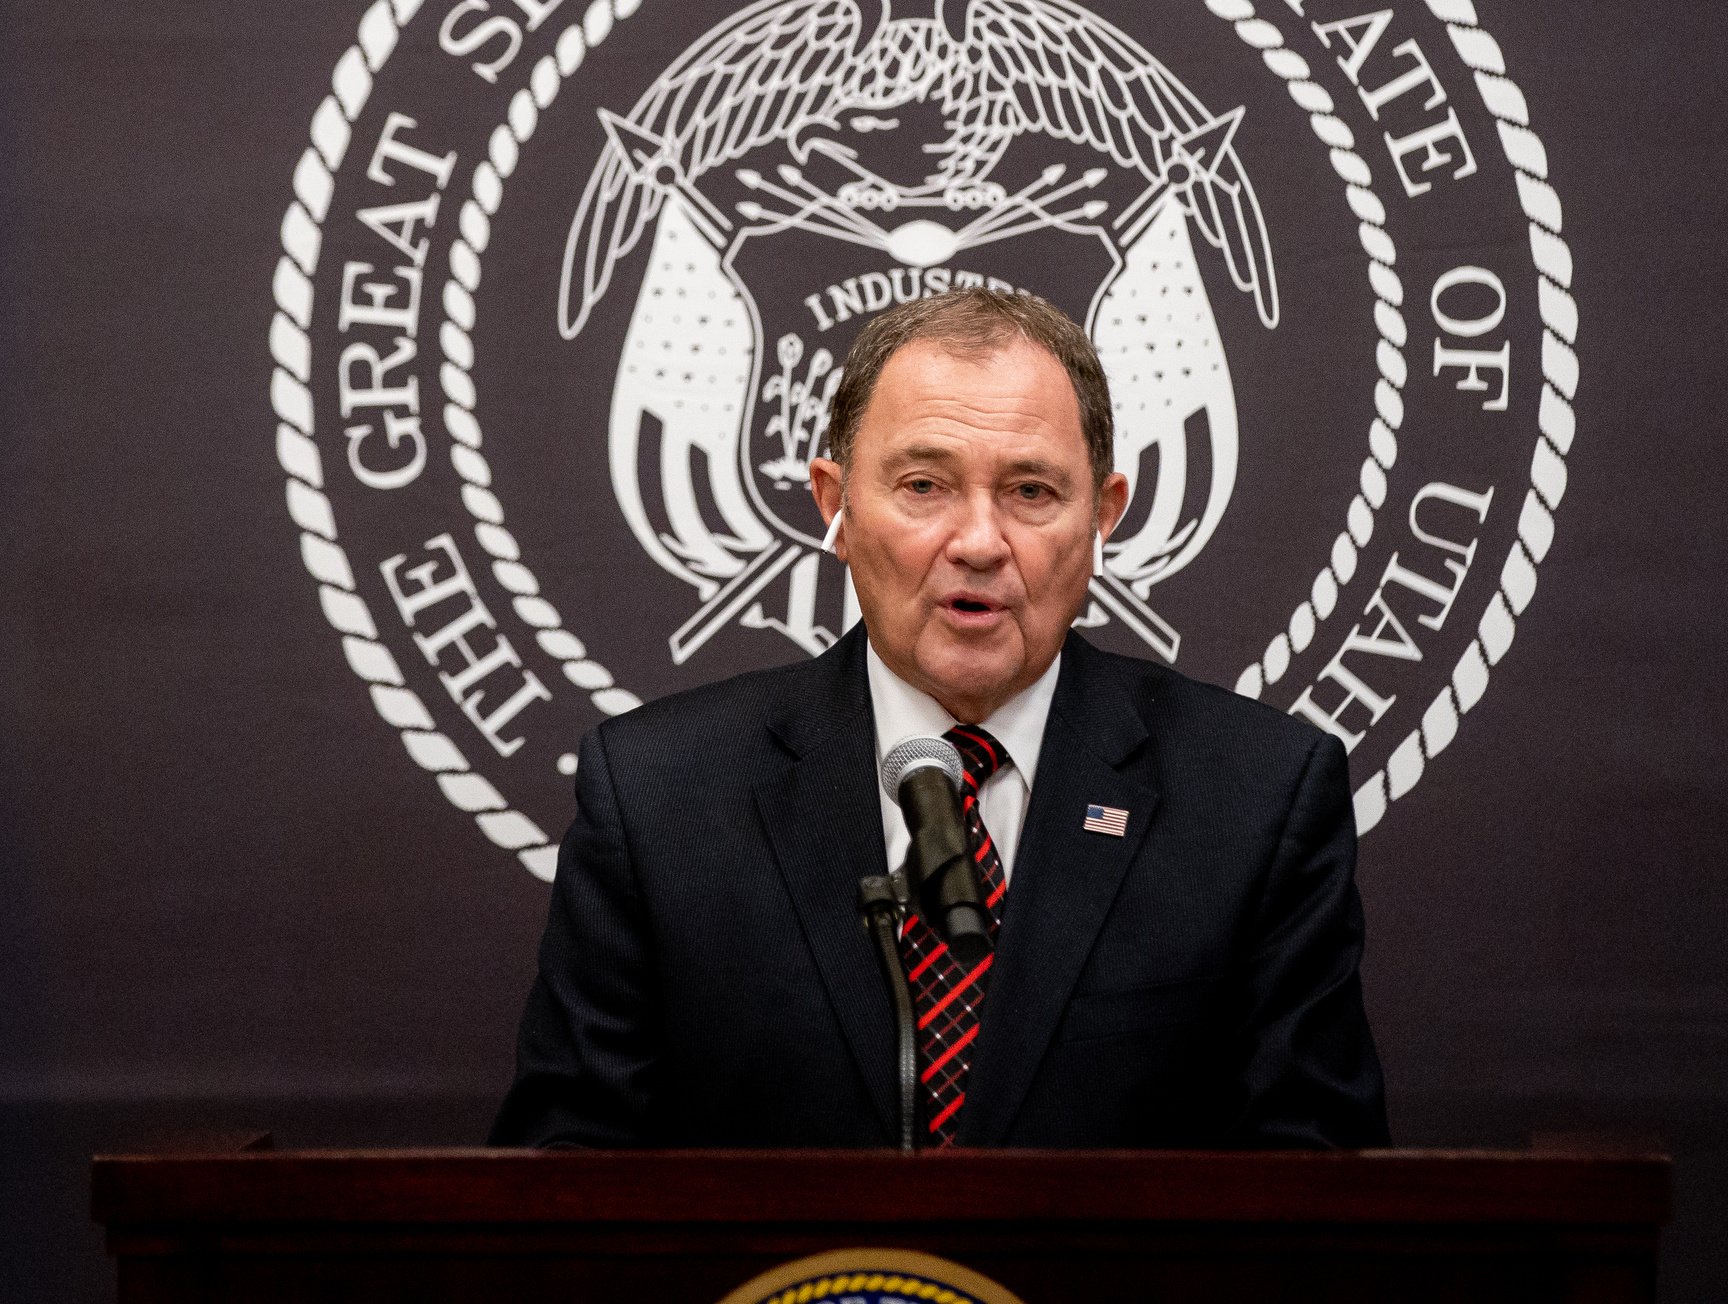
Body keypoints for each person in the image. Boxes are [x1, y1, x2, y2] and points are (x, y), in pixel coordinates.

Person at [491, 287, 1388, 1149]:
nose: (979, 542)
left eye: (1032, 492)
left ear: (1104, 515)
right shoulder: (659, 797)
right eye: (924, 486)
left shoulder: (1258, 797)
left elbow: (1318, 1196)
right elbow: (564, 1176)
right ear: (834, 508)